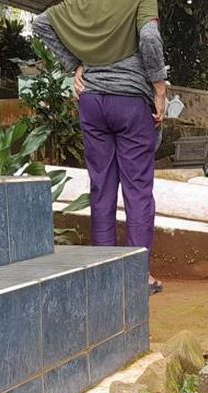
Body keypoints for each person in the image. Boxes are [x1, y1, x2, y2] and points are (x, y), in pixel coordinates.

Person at [33, 0, 167, 292]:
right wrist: (159, 88)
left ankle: (105, 272)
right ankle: (136, 275)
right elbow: (149, 37)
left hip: (92, 101)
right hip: (131, 101)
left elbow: (41, 22)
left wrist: (75, 65)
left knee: (101, 186)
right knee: (137, 189)